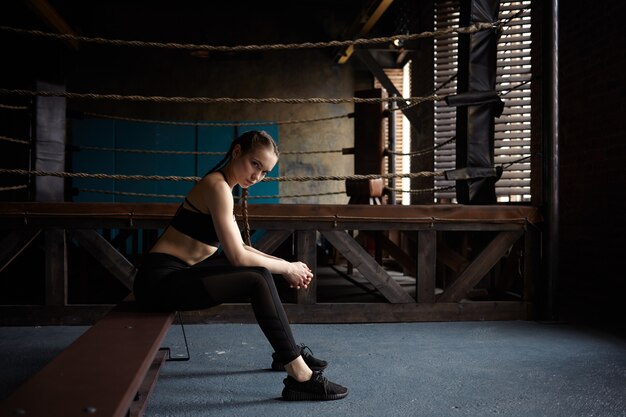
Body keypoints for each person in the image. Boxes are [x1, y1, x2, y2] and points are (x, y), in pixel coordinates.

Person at [133, 130, 348, 401]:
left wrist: (286, 263)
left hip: (182, 273)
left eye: (265, 172)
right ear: (237, 152)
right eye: (254, 164)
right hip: (159, 284)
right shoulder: (217, 187)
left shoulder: (224, 186)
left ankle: (288, 353)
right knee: (256, 278)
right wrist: (287, 269)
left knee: (260, 274)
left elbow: (243, 248)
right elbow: (237, 257)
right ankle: (300, 375)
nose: (257, 176)